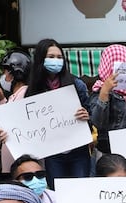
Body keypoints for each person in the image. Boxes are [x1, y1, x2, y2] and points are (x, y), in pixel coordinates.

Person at [26, 38, 91, 186]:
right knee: (58, 194)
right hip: (52, 153)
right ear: (41, 59)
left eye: (59, 57)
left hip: (78, 150)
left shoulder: (77, 85)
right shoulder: (33, 90)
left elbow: (91, 118)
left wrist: (86, 116)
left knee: (80, 190)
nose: (56, 60)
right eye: (51, 57)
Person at [89, 44, 126, 156]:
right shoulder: (100, 90)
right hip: (110, 153)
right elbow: (98, 123)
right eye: (120, 64)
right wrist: (104, 92)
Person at [0, 48, 31, 178]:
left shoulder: (24, 94)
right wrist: (2, 99)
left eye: (5, 72)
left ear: (14, 72)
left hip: (18, 160)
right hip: (12, 159)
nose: (4, 76)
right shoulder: (15, 95)